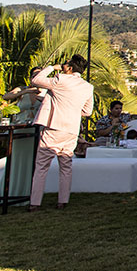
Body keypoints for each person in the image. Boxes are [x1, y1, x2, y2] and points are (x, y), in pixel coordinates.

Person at [27, 56, 96, 212]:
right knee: (66, 166)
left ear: (70, 68)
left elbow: (36, 80)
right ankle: (62, 201)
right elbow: (87, 111)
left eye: (65, 64)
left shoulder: (61, 79)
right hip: (72, 129)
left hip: (54, 127)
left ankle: (35, 202)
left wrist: (52, 67)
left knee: (41, 166)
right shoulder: (87, 87)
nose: (63, 66)